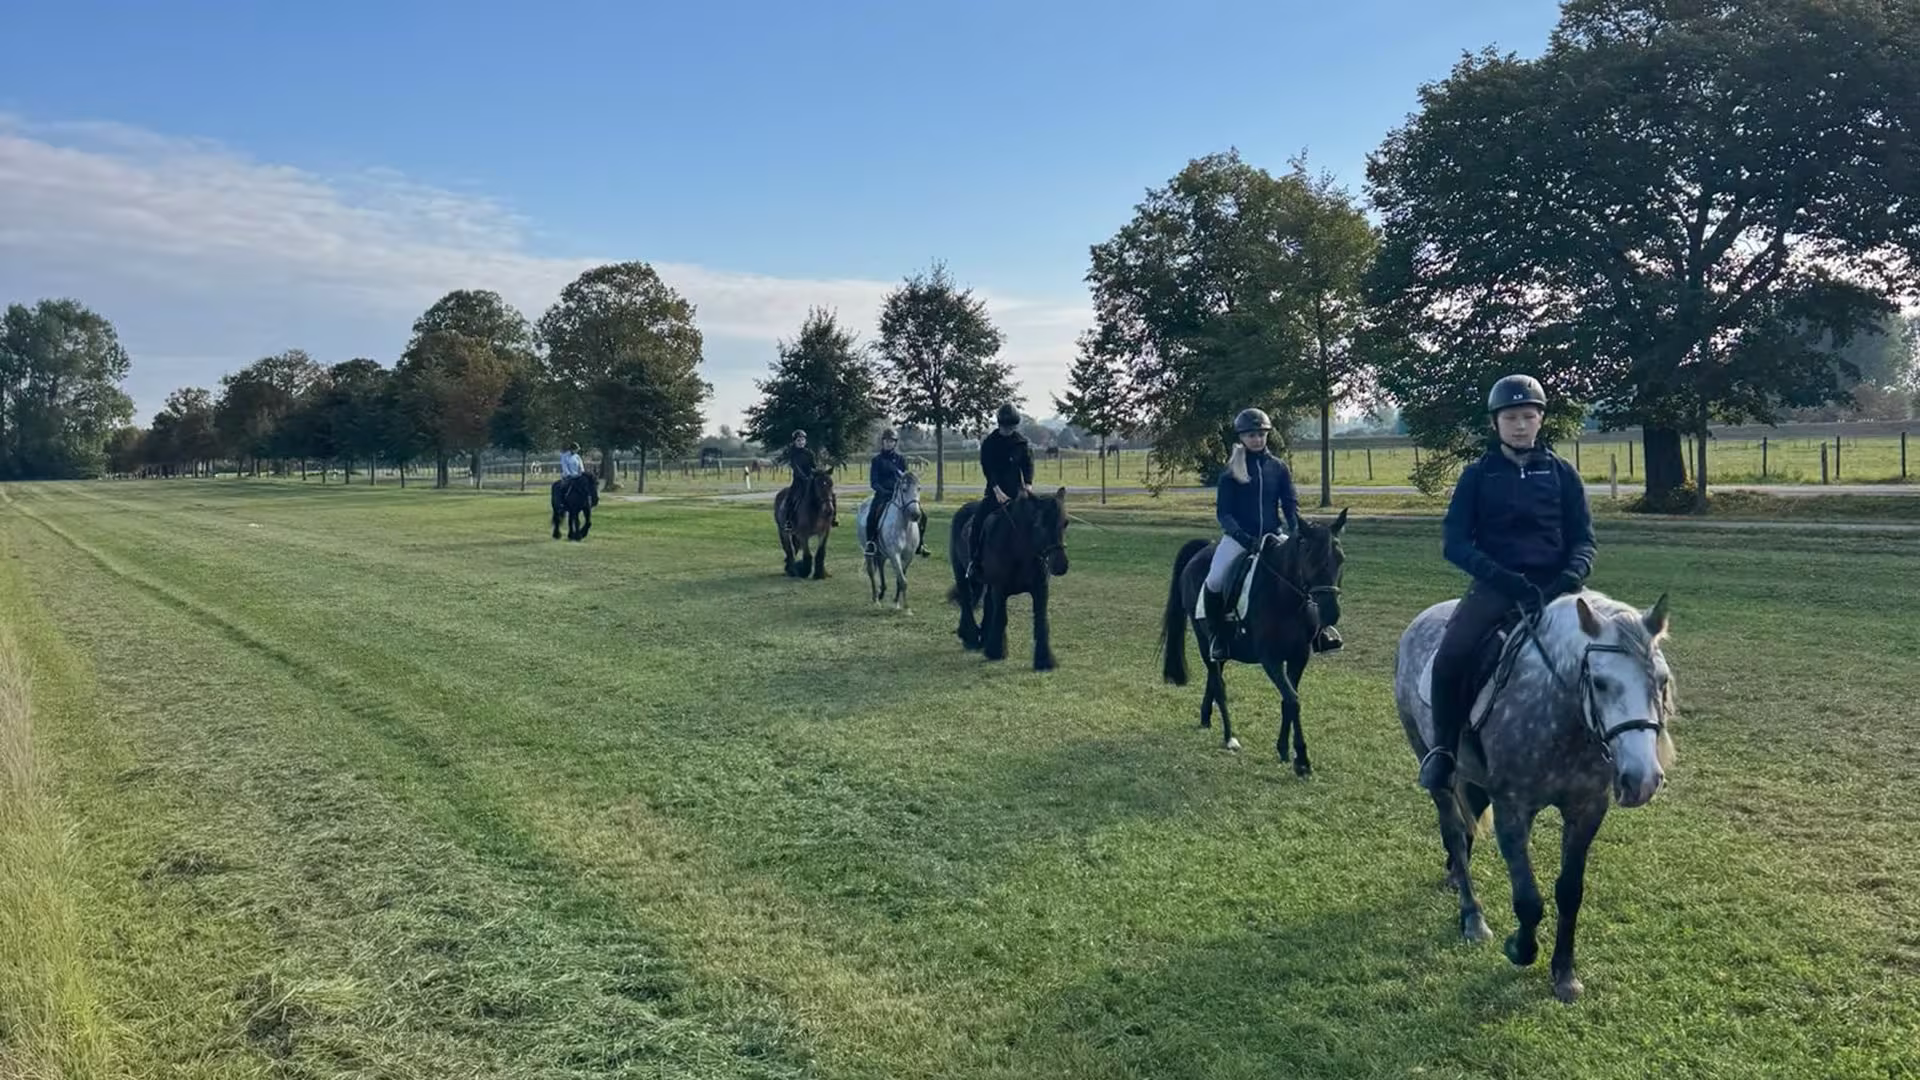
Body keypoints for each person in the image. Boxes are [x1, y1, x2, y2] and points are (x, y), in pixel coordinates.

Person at [1418, 374, 1597, 792]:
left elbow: (1584, 540)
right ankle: (1443, 752)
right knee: (1451, 656)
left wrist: (1569, 576)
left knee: (1613, 649)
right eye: (1511, 417)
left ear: (1540, 420)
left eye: (1528, 417)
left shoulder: (1563, 474)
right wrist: (1502, 579)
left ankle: (1615, 748)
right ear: (1495, 422)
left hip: (1559, 589)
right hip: (1496, 586)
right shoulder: (1477, 476)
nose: (1520, 425)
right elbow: (1455, 544)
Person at [1202, 408, 1303, 660]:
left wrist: (1296, 530)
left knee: (1304, 571)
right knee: (1215, 580)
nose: (1257, 439)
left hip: (1274, 536)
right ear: (1241, 437)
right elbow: (1224, 513)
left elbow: (1289, 503)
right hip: (1240, 539)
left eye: (1261, 434)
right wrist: (1242, 537)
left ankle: (1319, 630)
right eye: (1251, 435)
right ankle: (1218, 636)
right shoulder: (1231, 471)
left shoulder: (1279, 467)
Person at [966, 404, 1034, 582]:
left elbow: (1027, 465)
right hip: (995, 491)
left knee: (1037, 520)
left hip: (1017, 492)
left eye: (1011, 427)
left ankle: (1038, 560)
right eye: (1005, 427)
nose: (1008, 430)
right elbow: (988, 469)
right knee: (978, 522)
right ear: (1000, 425)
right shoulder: (990, 443)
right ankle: (974, 562)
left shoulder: (1021, 442)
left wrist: (1028, 485)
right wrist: (997, 491)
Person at [865, 428, 929, 557]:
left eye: (891, 441)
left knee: (922, 515)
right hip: (883, 495)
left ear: (895, 443)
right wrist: (883, 491)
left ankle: (920, 544)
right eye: (887, 441)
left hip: (900, 495)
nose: (889, 443)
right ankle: (871, 543)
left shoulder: (900, 459)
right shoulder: (877, 460)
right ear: (883, 442)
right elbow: (874, 482)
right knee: (872, 515)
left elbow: (905, 479)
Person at [781, 429, 816, 534]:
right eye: (798, 440)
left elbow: (813, 466)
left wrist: (815, 474)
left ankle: (830, 518)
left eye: (802, 440)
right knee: (790, 498)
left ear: (805, 441)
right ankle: (788, 521)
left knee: (825, 495)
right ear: (795, 442)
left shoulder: (809, 453)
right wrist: (804, 477)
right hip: (798, 482)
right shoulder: (793, 454)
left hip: (810, 480)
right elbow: (796, 468)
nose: (801, 442)